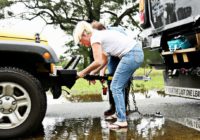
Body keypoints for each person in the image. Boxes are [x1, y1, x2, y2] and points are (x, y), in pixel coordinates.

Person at [73, 21, 144, 129]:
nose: (82, 44)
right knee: (120, 86)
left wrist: (82, 73)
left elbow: (97, 61)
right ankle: (120, 113)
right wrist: (93, 73)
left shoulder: (94, 37)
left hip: (131, 55)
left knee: (115, 86)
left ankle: (122, 120)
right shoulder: (99, 35)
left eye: (81, 41)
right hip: (135, 53)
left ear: (84, 34)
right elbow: (103, 60)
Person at [91, 21, 129, 118]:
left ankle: (123, 108)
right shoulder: (101, 38)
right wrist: (101, 73)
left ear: (103, 30)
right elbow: (104, 58)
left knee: (123, 80)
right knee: (110, 77)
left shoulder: (117, 32)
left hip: (125, 54)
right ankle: (113, 106)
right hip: (113, 56)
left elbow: (125, 48)